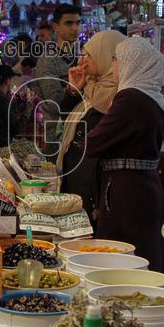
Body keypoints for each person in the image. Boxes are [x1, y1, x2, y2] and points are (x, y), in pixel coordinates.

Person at [82, 37, 164, 272]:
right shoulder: (150, 96)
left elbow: (94, 143)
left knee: (126, 254)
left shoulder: (131, 97)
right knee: (143, 248)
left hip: (128, 191)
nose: (113, 67)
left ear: (132, 63)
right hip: (141, 187)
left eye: (116, 60)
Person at [58, 30, 127, 222]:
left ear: (106, 55)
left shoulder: (119, 93)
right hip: (77, 176)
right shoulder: (90, 87)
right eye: (83, 54)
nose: (83, 60)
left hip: (96, 184)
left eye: (89, 55)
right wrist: (74, 89)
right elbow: (64, 116)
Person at [34, 4, 81, 147]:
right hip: (57, 137)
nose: (75, 28)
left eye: (78, 23)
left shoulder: (81, 56)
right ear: (56, 27)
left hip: (79, 133)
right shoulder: (48, 60)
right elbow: (55, 104)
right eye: (69, 23)